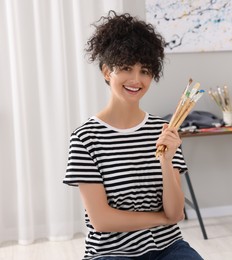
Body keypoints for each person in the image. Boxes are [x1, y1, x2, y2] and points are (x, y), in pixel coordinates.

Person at [63, 10, 203, 260]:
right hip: (111, 253)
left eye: (145, 71)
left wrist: (166, 160)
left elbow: (175, 211)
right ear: (107, 72)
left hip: (169, 248)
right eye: (126, 68)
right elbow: (102, 220)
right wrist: (160, 219)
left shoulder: (163, 131)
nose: (136, 80)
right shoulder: (85, 138)